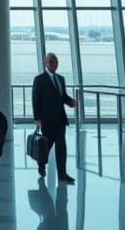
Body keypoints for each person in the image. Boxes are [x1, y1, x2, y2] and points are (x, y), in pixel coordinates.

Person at [32, 53, 77, 183]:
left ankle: (62, 174)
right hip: (47, 119)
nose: (54, 64)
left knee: (61, 146)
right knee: (47, 146)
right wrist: (37, 118)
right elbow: (36, 99)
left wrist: (70, 102)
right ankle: (41, 164)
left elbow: (63, 96)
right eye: (51, 62)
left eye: (56, 61)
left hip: (60, 119)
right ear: (45, 63)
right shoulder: (39, 79)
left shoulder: (61, 79)